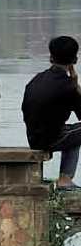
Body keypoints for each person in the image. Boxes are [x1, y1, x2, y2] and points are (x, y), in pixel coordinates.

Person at [21, 35, 81, 191]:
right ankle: (65, 179)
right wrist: (76, 85)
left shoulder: (37, 79)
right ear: (75, 59)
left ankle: (65, 178)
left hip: (33, 137)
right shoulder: (68, 86)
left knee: (74, 134)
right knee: (75, 134)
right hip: (49, 140)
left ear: (50, 57)